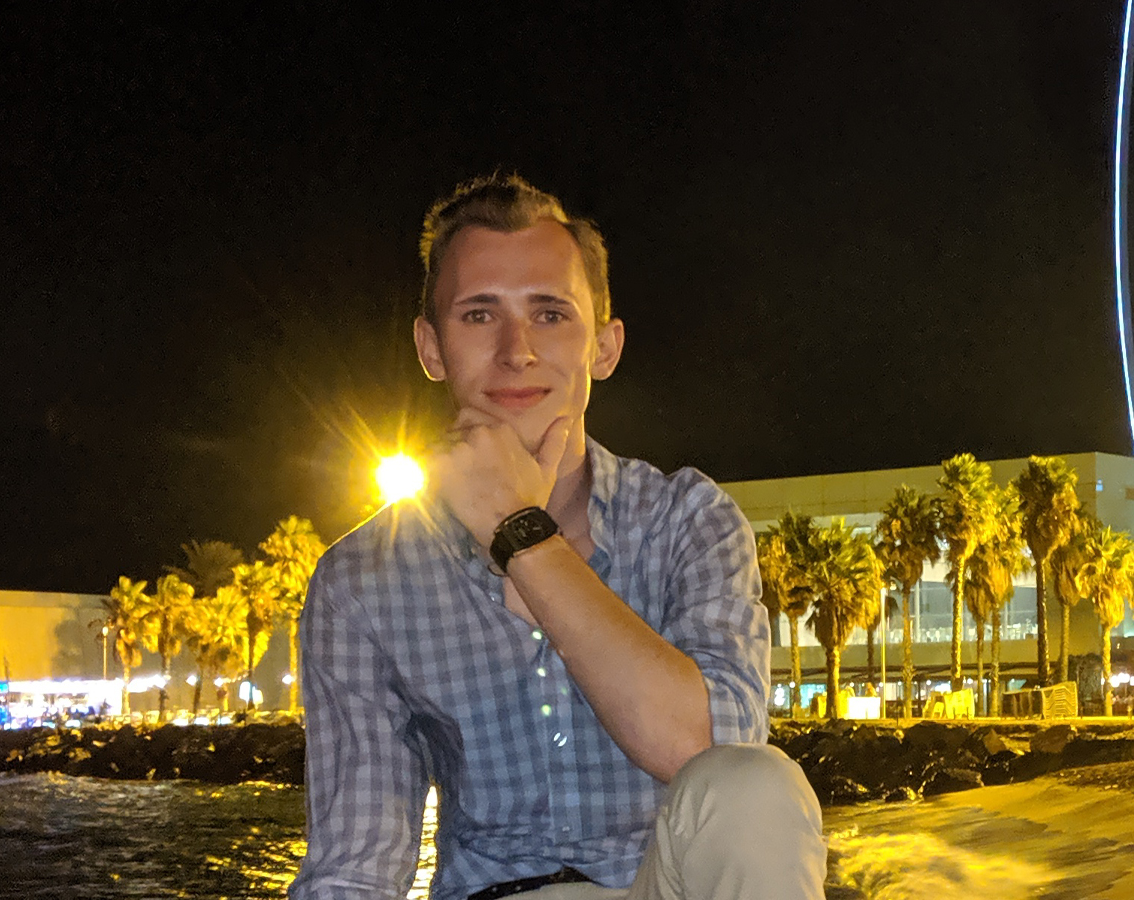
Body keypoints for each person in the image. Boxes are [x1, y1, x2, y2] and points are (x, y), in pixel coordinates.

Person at [291, 174, 825, 900]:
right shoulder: (361, 578)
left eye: (550, 313)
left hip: (663, 882)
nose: (517, 351)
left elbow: (710, 750)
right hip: (497, 895)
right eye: (479, 315)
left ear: (604, 347)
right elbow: (355, 864)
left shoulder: (686, 520)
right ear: (431, 347)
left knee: (757, 785)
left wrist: (524, 537)